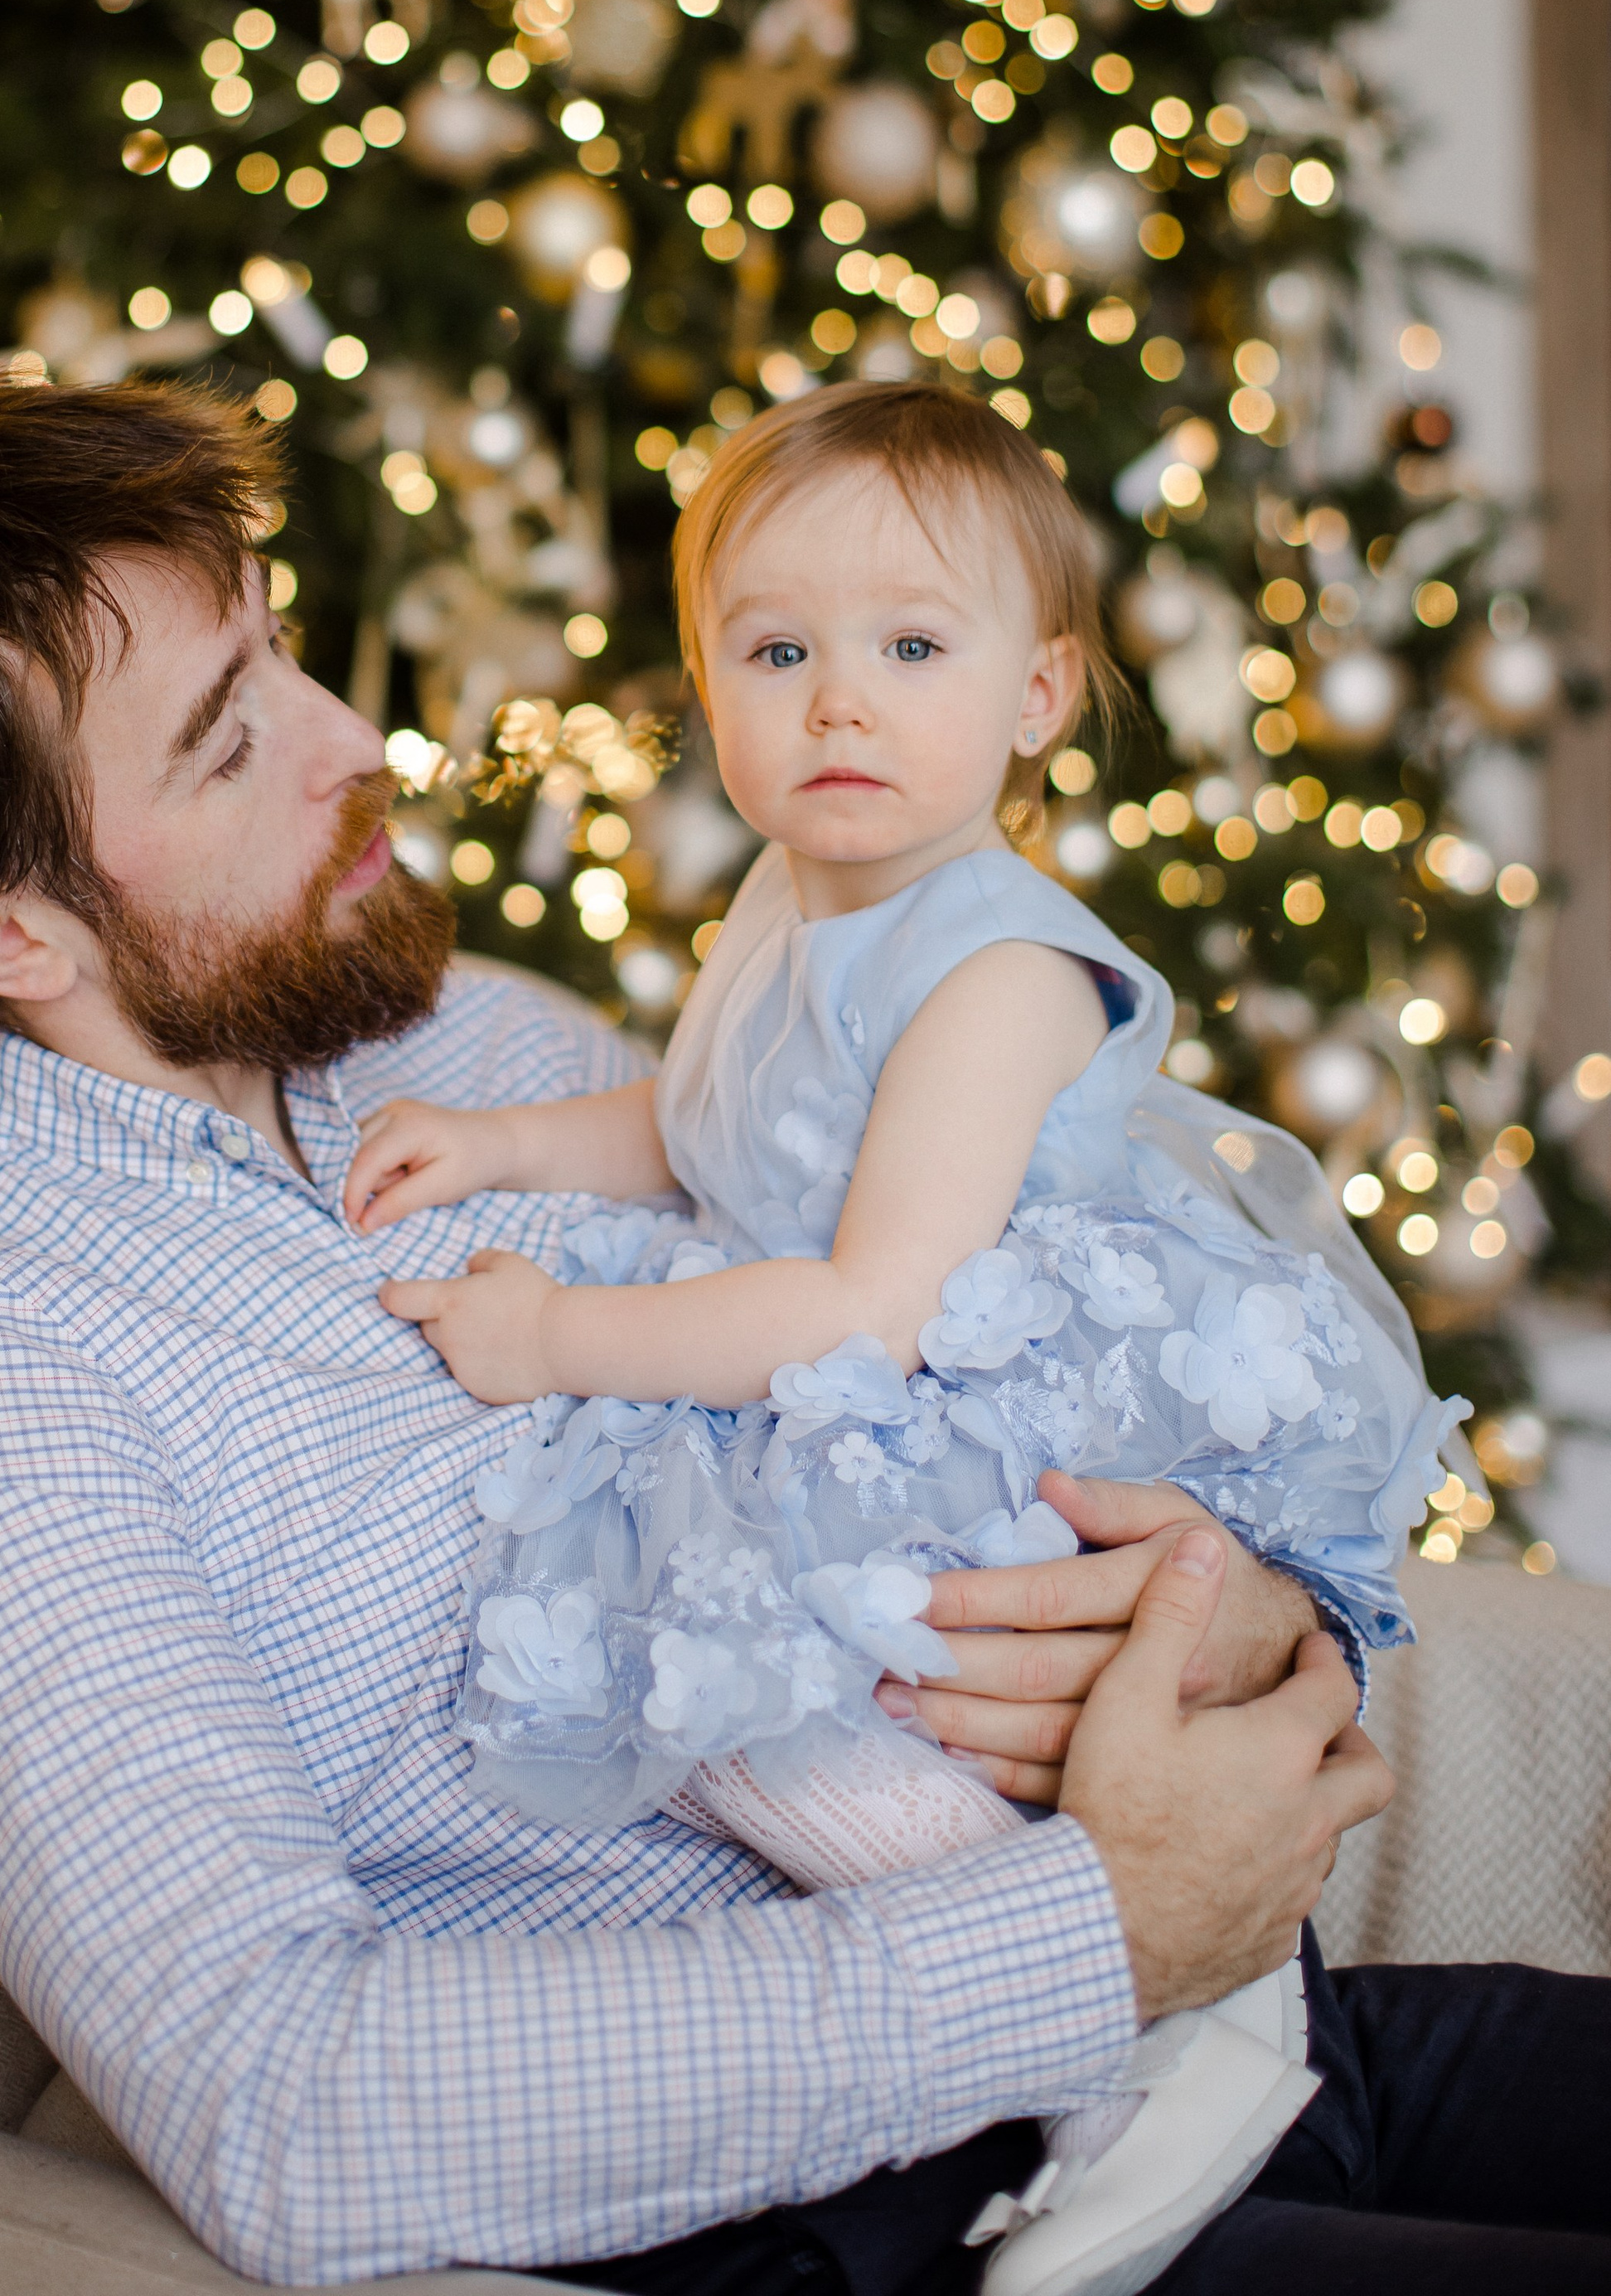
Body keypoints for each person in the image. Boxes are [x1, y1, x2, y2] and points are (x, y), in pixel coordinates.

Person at [0, 370, 1611, 2294]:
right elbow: (285, 2105)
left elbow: (955, 1327)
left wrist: (1227, 1602)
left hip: (1262, 2041)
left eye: (286, 653)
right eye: (229, 745)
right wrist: (1097, 1934)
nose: (356, 742)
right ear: (4, 935)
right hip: (884, 2218)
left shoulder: (468, 1042)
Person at [344, 383, 1466, 2289]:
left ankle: (1170, 2029)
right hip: (826, 1359)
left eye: (909, 649)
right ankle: (1078, 2026)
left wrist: (557, 1334)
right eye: (776, 651)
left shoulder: (1000, 971)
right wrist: (513, 1145)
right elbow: (716, 1130)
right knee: (708, 1716)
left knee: (817, 1706)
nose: (836, 704)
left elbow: (875, 1300)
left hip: (971, 1396)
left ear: (1034, 696)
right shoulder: (781, 899)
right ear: (709, 688)